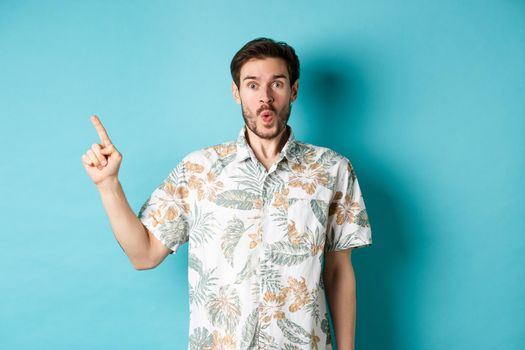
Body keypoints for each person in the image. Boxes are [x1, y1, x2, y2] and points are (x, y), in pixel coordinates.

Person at [81, 37, 372, 350]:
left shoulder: (333, 169)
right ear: (237, 93)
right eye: (252, 85)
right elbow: (144, 255)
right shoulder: (199, 170)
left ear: (294, 90)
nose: (265, 97)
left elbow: (339, 271)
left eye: (277, 83)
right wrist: (108, 185)